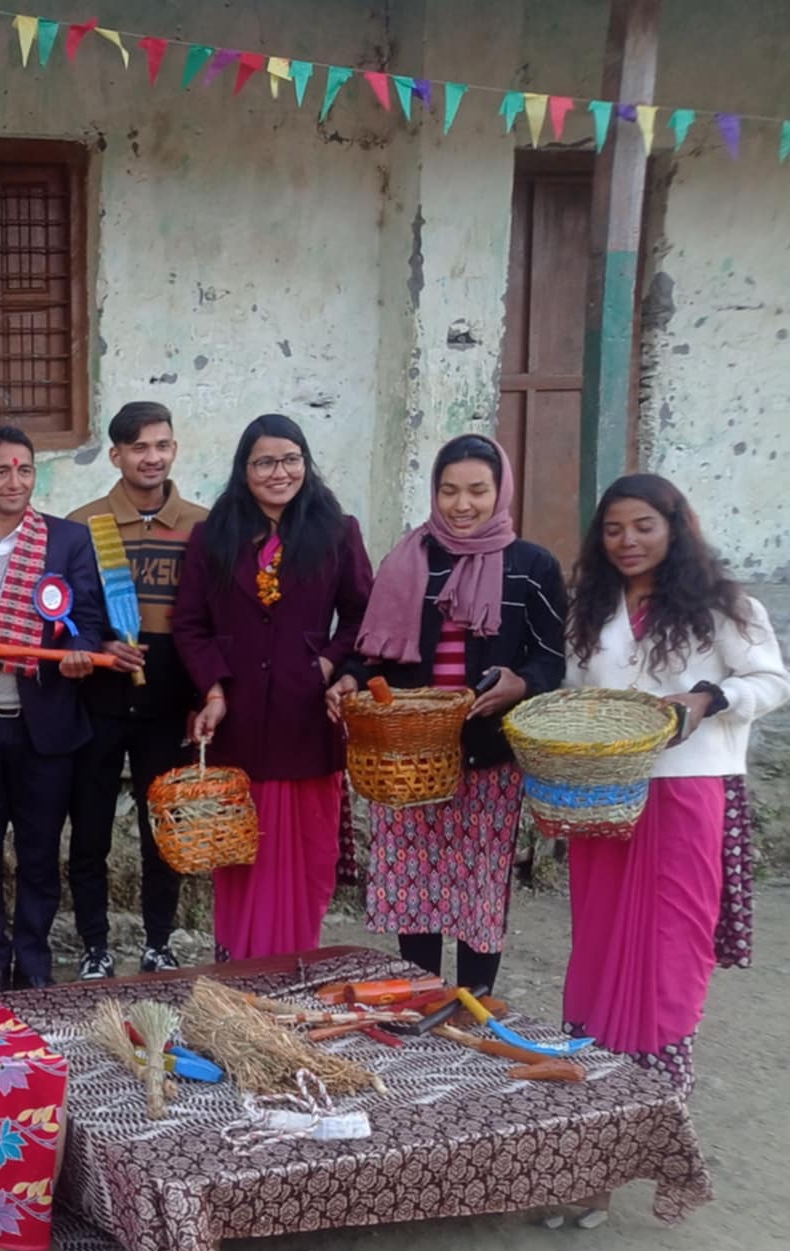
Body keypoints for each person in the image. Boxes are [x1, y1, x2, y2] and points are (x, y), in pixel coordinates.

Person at [560, 474, 787, 1093]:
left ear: (675, 528)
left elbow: (772, 682)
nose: (626, 541)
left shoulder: (722, 606)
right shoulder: (593, 608)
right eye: (613, 530)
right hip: (605, 795)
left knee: (668, 947)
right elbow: (579, 692)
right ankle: (598, 1096)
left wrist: (710, 698)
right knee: (599, 943)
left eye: (643, 526)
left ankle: (656, 1098)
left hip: (687, 793)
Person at [330, 435, 566, 994]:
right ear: (435, 492)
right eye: (450, 490)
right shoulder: (408, 560)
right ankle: (422, 995)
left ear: (500, 490)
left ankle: (473, 1001)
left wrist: (522, 683)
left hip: (488, 753)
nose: (463, 505)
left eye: (478, 491)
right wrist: (350, 679)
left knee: (479, 883)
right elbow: (375, 655)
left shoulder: (532, 567)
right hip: (407, 756)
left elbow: (552, 658)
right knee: (412, 883)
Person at [0, 426, 134, 991]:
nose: (14, 482)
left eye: (24, 471)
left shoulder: (67, 541)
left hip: (45, 724)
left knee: (40, 848)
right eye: (0, 471)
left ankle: (33, 957)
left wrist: (73, 653)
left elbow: (87, 620)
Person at [173, 413, 373, 962]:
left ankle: (294, 962)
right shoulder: (213, 536)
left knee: (305, 854)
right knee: (240, 851)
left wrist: (332, 664)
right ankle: (240, 965)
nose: (279, 472)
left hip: (308, 715)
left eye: (290, 459)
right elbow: (190, 624)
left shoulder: (336, 530)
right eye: (264, 461)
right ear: (244, 470)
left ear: (305, 464)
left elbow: (363, 615)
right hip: (235, 719)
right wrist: (212, 689)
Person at [64, 402, 207, 979]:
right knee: (91, 830)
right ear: (116, 454)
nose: (153, 458)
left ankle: (158, 942)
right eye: (139, 448)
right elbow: (66, 610)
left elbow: (208, 617)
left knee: (163, 832)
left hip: (169, 699)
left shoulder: (201, 524)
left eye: (162, 445)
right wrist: (99, 645)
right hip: (97, 696)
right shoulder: (81, 523)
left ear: (174, 449)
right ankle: (95, 945)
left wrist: (204, 693)